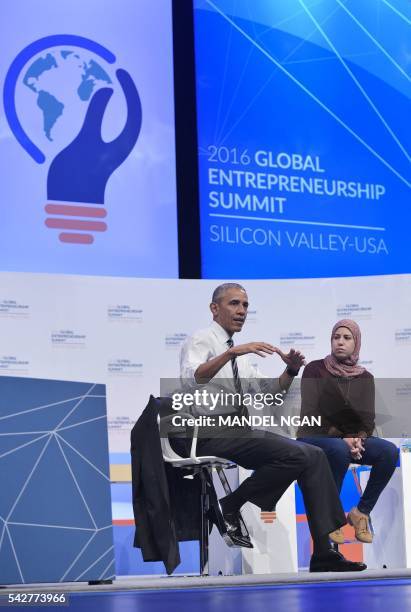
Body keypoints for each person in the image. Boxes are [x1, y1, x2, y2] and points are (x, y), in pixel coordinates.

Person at [173, 283, 366, 572]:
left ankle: (323, 552)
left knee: (313, 455)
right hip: (206, 432)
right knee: (301, 455)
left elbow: (270, 394)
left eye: (245, 305)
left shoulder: (238, 352)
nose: (241, 311)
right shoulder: (202, 340)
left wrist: (290, 370)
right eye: (234, 304)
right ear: (215, 309)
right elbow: (192, 380)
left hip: (236, 431)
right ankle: (230, 505)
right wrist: (232, 353)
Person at [297, 319, 398, 545]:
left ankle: (361, 512)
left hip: (350, 439)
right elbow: (312, 413)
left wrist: (359, 439)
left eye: (346, 338)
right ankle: (332, 518)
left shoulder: (365, 378)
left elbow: (367, 419)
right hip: (315, 434)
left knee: (389, 452)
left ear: (356, 343)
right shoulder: (315, 369)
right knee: (338, 450)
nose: (340, 342)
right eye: (336, 337)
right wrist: (344, 438)